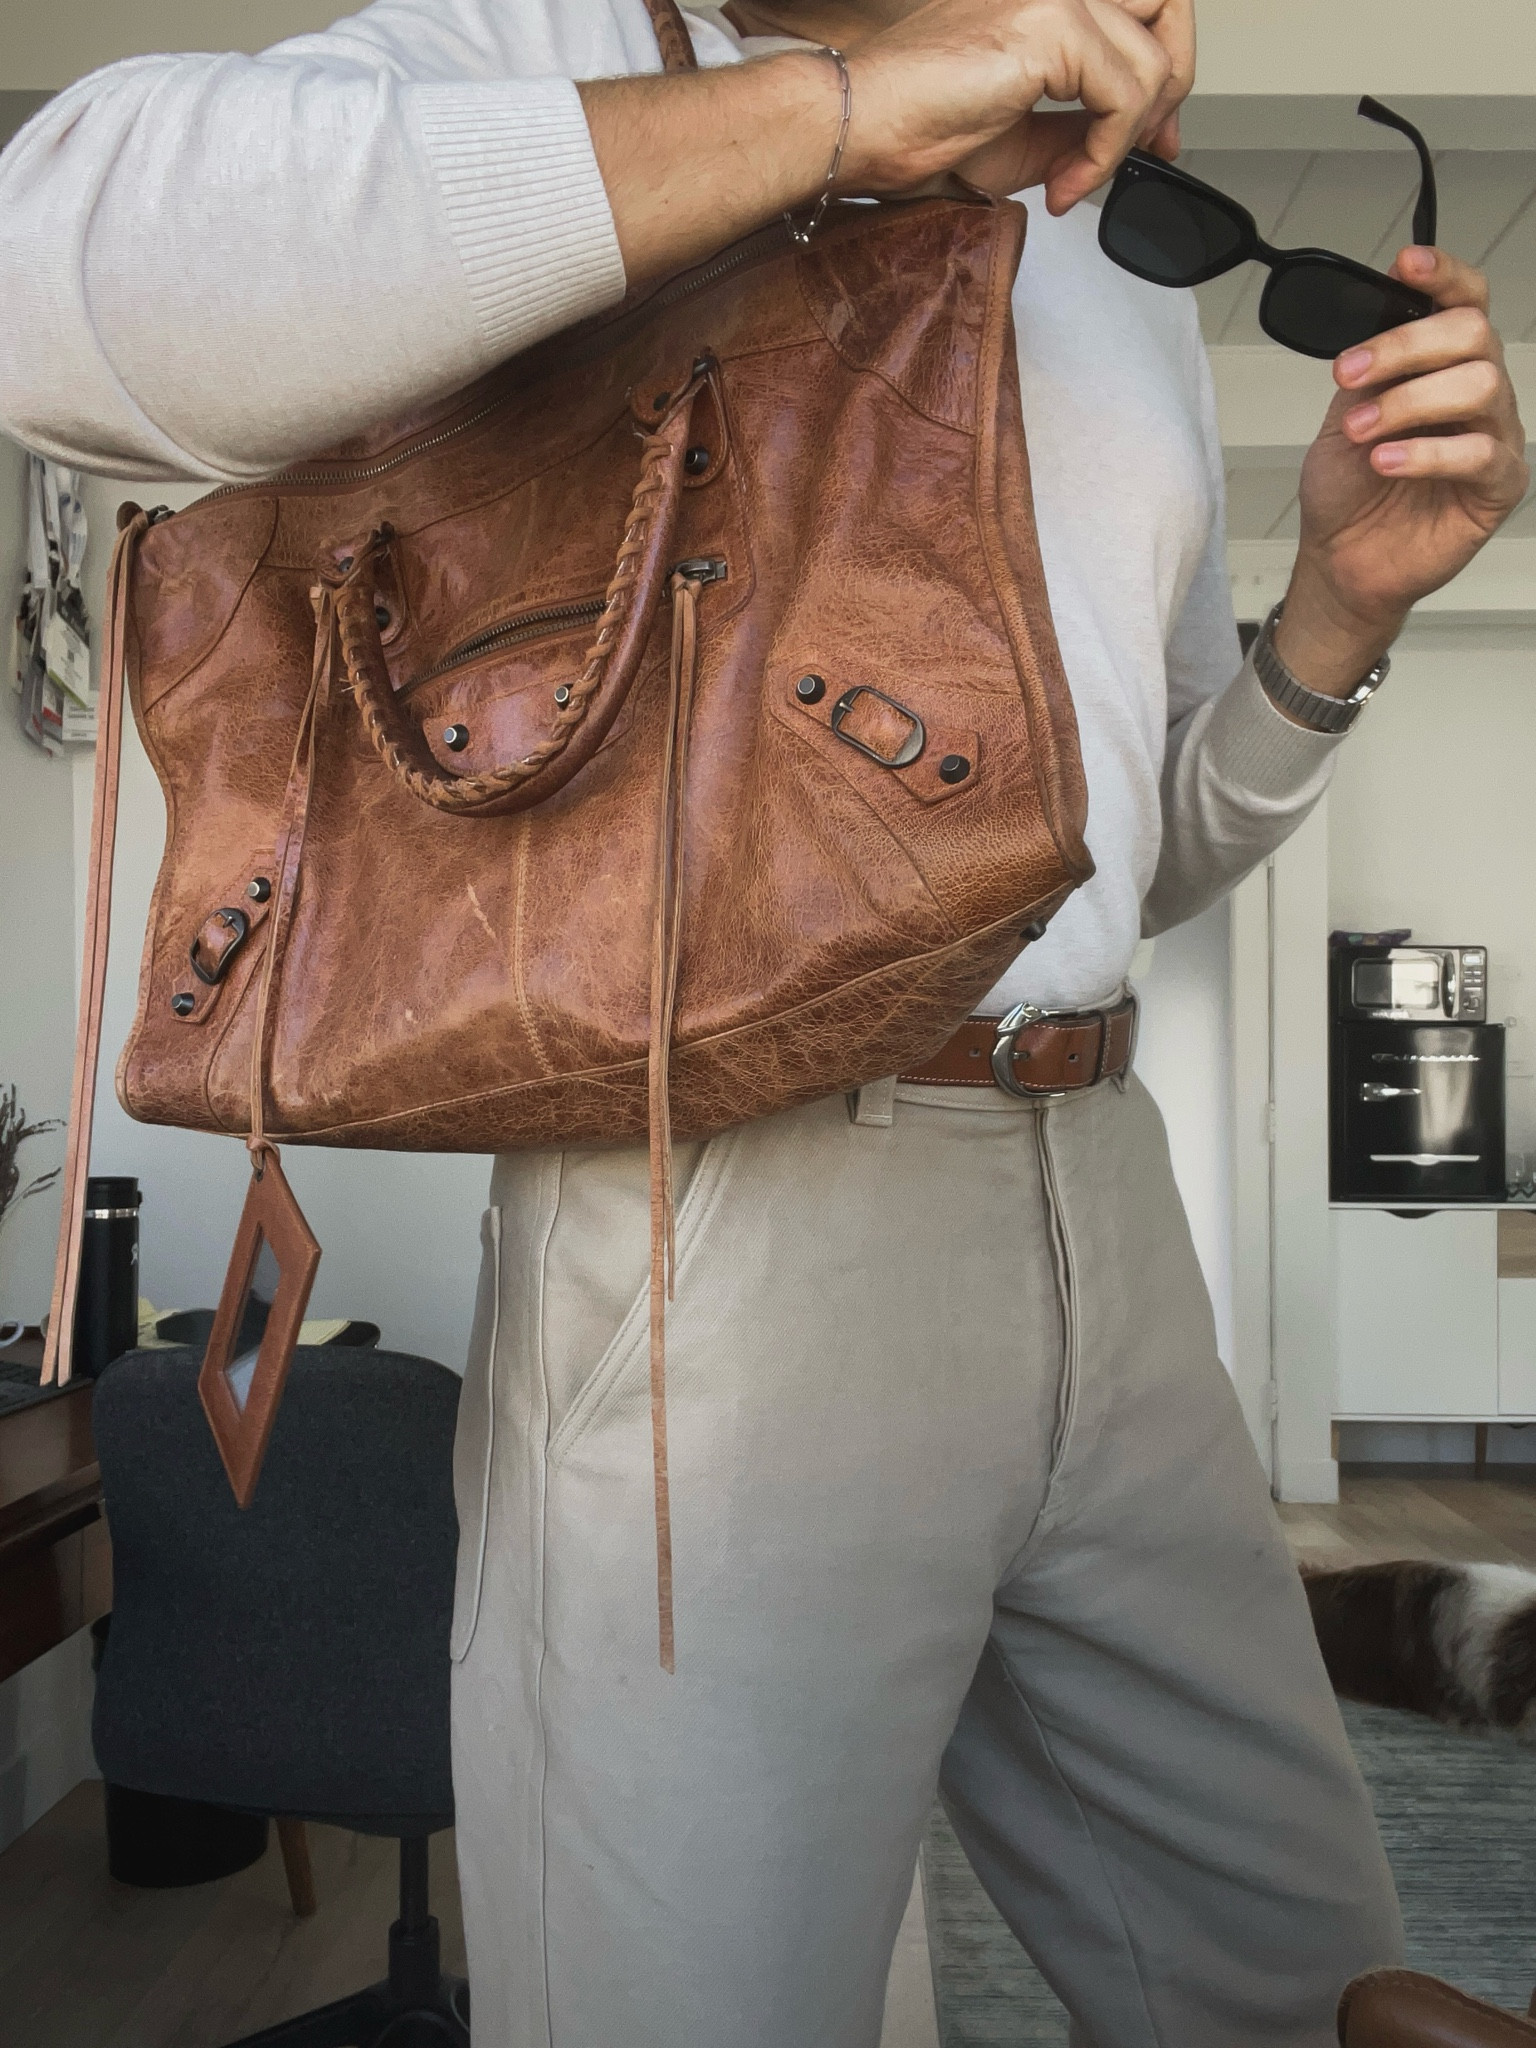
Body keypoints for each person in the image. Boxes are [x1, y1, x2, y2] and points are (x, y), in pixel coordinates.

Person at [0, 2, 1527, 2042]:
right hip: (719, 1220)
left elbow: (1111, 863)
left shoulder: (1100, 246)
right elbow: (56, 273)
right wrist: (834, 117)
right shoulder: (555, 49)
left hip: (1106, 1202)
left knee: (1300, 1975)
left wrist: (1340, 608)